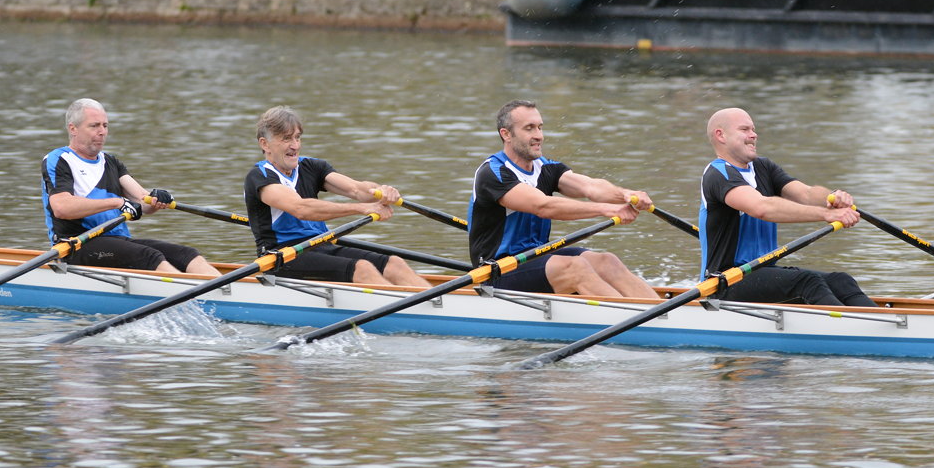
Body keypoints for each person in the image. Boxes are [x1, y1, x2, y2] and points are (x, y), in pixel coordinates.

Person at [467, 101, 659, 299]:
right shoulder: (493, 172)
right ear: (506, 134)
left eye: (540, 127)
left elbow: (590, 186)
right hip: (497, 271)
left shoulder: (545, 168)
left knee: (607, 262)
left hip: (539, 260)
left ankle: (661, 315)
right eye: (529, 128)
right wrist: (608, 210)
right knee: (575, 268)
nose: (538, 136)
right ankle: (634, 322)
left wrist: (626, 195)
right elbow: (543, 206)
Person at [698, 107, 875, 307]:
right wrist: (826, 214)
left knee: (842, 281)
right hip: (725, 281)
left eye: (753, 129)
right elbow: (762, 208)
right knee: (808, 283)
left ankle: (880, 327)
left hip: (763, 273)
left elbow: (806, 193)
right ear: (721, 135)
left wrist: (833, 198)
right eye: (745, 129)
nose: (753, 135)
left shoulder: (763, 167)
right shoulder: (718, 174)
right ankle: (851, 329)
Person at [243, 105, 429, 287]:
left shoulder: (311, 167)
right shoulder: (260, 177)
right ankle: (403, 314)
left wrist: (382, 192)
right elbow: (301, 209)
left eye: (297, 137)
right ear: (264, 144)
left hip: (322, 246)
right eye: (286, 139)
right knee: (363, 268)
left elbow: (357, 189)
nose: (295, 145)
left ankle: (438, 308)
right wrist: (361, 208)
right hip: (282, 257)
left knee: (394, 264)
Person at [42, 98, 220, 275]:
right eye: (94, 126)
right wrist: (116, 203)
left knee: (187, 254)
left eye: (105, 125)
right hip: (77, 245)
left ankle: (226, 294)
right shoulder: (59, 160)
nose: (102, 132)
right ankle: (193, 299)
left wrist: (158, 199)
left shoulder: (111, 162)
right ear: (73, 128)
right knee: (149, 256)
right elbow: (62, 208)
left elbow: (143, 202)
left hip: (118, 242)